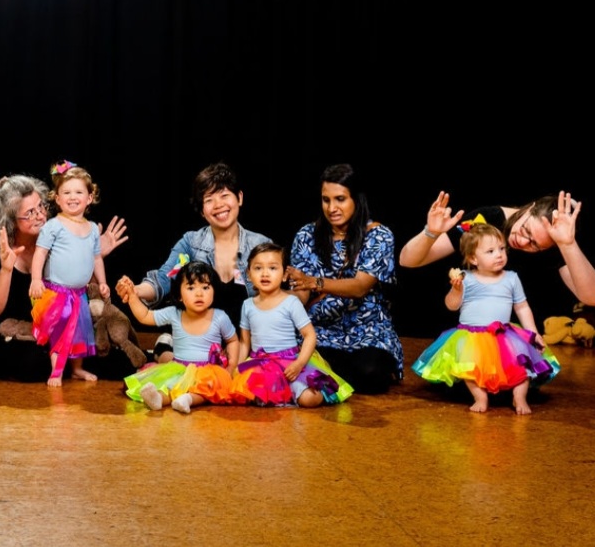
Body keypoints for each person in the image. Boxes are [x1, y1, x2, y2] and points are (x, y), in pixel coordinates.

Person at [0, 173, 138, 383]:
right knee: (34, 365)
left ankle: (69, 361)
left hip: (62, 327)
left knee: (120, 363)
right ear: (10, 220)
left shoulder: (58, 235)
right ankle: (62, 362)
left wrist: (91, 256)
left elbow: (83, 294)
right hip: (17, 335)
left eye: (41, 207)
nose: (40, 216)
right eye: (30, 213)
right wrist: (6, 269)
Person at [411, 222, 560, 414]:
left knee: (521, 366)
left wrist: (533, 333)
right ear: (473, 258)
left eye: (501, 249)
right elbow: (451, 305)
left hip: (504, 334)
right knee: (469, 368)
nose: (499, 254)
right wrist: (456, 290)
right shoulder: (466, 278)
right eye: (490, 251)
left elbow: (522, 307)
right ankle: (480, 397)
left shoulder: (511, 278)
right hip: (471, 336)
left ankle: (519, 397)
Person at [129, 162, 271, 361]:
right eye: (209, 200)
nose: (219, 205)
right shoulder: (190, 243)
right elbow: (164, 278)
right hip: (200, 344)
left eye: (224, 195)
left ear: (239, 198)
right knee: (181, 367)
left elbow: (276, 299)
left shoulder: (261, 246)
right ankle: (169, 350)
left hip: (247, 344)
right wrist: (135, 291)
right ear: (202, 211)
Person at [284, 163, 403, 394]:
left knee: (370, 373)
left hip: (368, 328)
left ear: (356, 199)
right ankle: (329, 372)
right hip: (321, 330)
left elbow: (359, 287)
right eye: (326, 200)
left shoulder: (379, 235)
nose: (332, 208)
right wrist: (282, 299)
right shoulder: (307, 235)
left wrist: (314, 281)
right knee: (300, 359)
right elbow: (302, 290)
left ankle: (332, 374)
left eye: (340, 199)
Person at [399, 190, 595, 312]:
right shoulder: (486, 219)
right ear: (528, 208)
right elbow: (407, 260)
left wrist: (568, 245)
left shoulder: (556, 244)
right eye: (525, 230)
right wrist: (430, 233)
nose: (522, 241)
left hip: (519, 340)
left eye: (535, 245)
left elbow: (594, 298)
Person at [232, 242, 353, 408]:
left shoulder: (290, 302)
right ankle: (280, 394)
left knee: (310, 399)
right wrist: (237, 367)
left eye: (273, 268)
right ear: (249, 274)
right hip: (260, 364)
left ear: (284, 275)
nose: (265, 273)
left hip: (289, 362)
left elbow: (310, 335)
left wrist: (299, 364)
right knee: (243, 394)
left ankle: (294, 392)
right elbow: (245, 342)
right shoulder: (248, 305)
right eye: (258, 268)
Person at [116, 260, 241, 414]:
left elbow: (233, 340)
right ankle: (159, 399)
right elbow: (145, 316)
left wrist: (231, 365)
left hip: (209, 371)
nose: (199, 293)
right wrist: (133, 297)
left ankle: (188, 399)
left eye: (205, 287)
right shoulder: (174, 313)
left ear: (214, 291)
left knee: (205, 388)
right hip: (180, 368)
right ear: (179, 296)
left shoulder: (220, 317)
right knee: (171, 385)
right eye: (191, 287)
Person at [29, 160, 110, 387]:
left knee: (79, 333)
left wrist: (102, 282)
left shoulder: (93, 228)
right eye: (66, 192)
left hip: (79, 294)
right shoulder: (53, 226)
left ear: (89, 197)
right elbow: (40, 254)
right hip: (56, 293)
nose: (72, 197)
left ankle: (77, 369)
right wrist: (36, 279)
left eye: (78, 192)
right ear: (57, 198)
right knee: (60, 332)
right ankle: (57, 370)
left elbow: (96, 258)